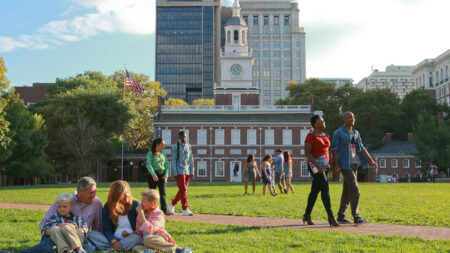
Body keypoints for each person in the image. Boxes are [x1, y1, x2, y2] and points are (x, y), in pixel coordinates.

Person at [23, 177, 102, 253]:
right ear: (80, 192)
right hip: (57, 235)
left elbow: (98, 228)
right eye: (91, 193)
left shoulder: (96, 203)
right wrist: (59, 226)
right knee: (50, 247)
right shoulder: (64, 200)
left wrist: (83, 232)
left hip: (78, 238)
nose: (94, 195)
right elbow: (43, 224)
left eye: (95, 191)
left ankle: (73, 250)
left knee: (89, 248)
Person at [331, 112, 378, 224]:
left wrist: (371, 160)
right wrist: (336, 166)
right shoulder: (338, 133)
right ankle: (356, 216)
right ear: (344, 119)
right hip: (344, 164)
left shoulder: (356, 133)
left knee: (347, 190)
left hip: (354, 163)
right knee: (354, 188)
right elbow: (335, 150)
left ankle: (341, 216)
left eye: (353, 117)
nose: (352, 119)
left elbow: (361, 148)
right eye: (349, 117)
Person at [302, 115, 339, 227]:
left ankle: (307, 215)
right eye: (320, 121)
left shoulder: (326, 135)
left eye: (323, 120)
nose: (323, 122)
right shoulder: (311, 136)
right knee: (325, 189)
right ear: (315, 124)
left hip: (325, 165)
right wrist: (317, 166)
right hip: (314, 165)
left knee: (315, 191)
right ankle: (331, 217)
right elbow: (308, 154)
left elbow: (327, 152)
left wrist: (333, 166)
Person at [87, 180, 142, 251]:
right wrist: (113, 241)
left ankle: (112, 249)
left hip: (130, 238)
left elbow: (141, 229)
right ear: (116, 196)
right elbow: (106, 228)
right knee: (91, 234)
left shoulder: (136, 205)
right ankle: (116, 248)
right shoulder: (108, 206)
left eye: (127, 192)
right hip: (112, 239)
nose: (127, 195)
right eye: (123, 194)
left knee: (137, 238)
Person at [167, 131, 195, 216]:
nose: (184, 138)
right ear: (179, 137)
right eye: (183, 137)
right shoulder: (176, 146)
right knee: (183, 189)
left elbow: (191, 159)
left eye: (185, 136)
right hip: (179, 171)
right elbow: (174, 159)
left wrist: (192, 170)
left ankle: (172, 205)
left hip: (187, 170)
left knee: (183, 190)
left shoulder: (189, 146)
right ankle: (185, 209)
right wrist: (175, 172)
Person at [147, 138, 170, 215]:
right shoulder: (150, 153)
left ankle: (164, 210)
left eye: (164, 144)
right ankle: (151, 210)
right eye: (162, 144)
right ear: (157, 144)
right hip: (153, 174)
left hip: (162, 174)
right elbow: (148, 164)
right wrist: (153, 175)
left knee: (163, 192)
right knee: (152, 194)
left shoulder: (163, 153)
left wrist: (166, 175)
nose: (164, 146)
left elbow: (166, 164)